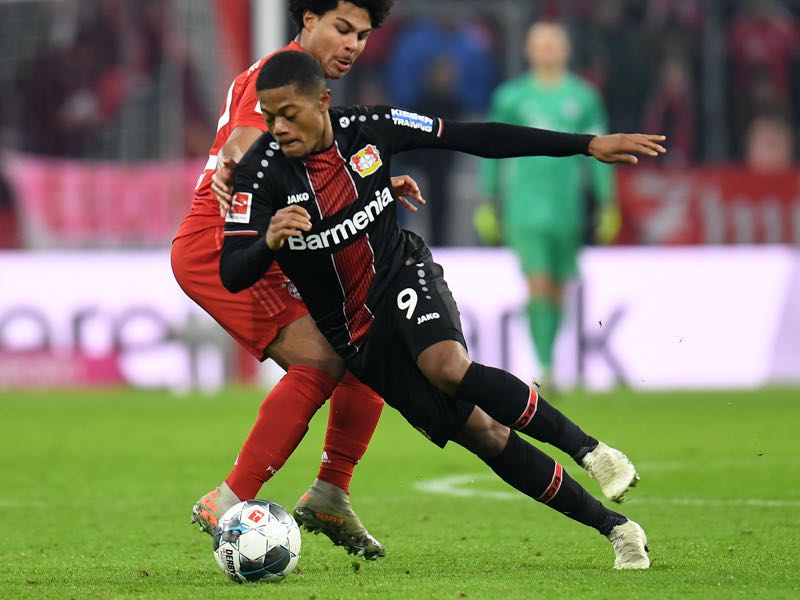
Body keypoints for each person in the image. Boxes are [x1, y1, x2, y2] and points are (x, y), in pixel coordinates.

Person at [219, 50, 666, 569]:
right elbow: (233, 271)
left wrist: (586, 145)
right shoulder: (260, 174)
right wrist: (269, 242)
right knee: (487, 434)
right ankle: (618, 530)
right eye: (269, 117)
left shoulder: (372, 127)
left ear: (323, 101)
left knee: (447, 366)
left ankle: (594, 452)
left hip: (402, 275)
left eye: (288, 114)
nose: (277, 128)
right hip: (358, 338)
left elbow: (474, 137)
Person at [171, 0, 421, 560]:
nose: (352, 44)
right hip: (226, 243)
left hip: (283, 243)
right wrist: (236, 164)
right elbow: (244, 141)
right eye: (341, 28)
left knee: (368, 342)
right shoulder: (275, 76)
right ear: (307, 20)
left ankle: (331, 493)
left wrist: (375, 185)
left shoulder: (309, 87)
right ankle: (230, 498)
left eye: (361, 35)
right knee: (323, 359)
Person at [478, 22, 617, 392]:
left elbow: (599, 151)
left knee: (557, 288)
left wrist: (607, 202)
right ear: (529, 50)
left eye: (555, 42)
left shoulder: (583, 96)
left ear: (566, 49)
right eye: (541, 43)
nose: (549, 49)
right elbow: (491, 149)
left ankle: (550, 359)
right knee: (538, 283)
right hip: (524, 204)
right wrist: (489, 199)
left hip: (566, 206)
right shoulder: (512, 97)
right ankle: (545, 365)